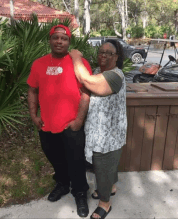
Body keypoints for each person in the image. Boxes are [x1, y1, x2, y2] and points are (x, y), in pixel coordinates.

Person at [27, 24, 92, 218]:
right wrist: (33, 115)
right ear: (50, 40)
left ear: (68, 42)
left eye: (63, 39)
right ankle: (63, 184)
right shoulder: (38, 64)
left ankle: (80, 192)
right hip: (46, 125)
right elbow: (32, 90)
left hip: (71, 124)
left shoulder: (78, 62)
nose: (59, 41)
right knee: (55, 158)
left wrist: (79, 120)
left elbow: (86, 92)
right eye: (55, 37)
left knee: (76, 161)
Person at [69, 39, 127, 219]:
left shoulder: (115, 76)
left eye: (108, 53)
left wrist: (76, 57)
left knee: (104, 167)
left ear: (116, 57)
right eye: (101, 51)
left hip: (109, 134)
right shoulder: (97, 72)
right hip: (97, 131)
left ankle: (105, 203)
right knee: (104, 165)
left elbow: (84, 79)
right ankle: (111, 187)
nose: (103, 55)